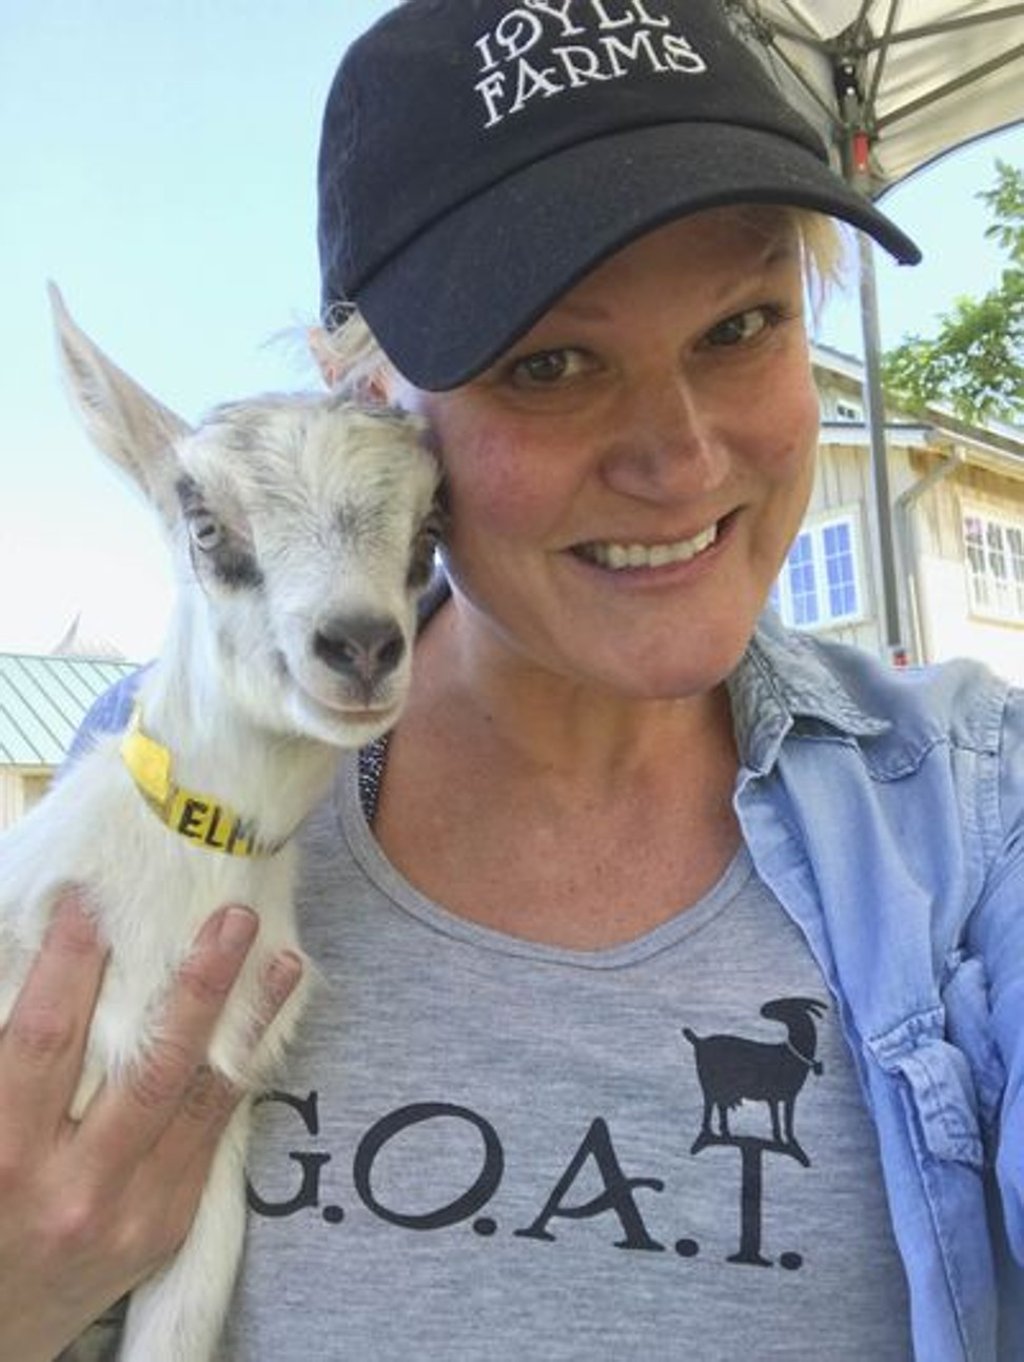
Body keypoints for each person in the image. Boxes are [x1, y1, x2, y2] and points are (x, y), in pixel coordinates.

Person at [3, 1, 1021, 1359]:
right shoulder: (151, 797)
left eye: (741, 324)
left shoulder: (971, 810)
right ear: (360, 395)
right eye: (551, 361)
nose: (681, 458)